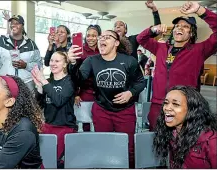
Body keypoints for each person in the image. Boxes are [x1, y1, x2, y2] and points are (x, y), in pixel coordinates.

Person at [68, 30, 145, 168]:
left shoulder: (129, 61)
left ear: (116, 43)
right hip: (102, 110)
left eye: (107, 37)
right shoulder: (91, 60)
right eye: (101, 37)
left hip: (125, 111)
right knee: (102, 144)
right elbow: (78, 80)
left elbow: (140, 82)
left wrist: (130, 93)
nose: (102, 39)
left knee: (128, 147)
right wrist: (73, 64)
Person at [136, 1, 217, 131]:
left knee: (182, 145)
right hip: (158, 104)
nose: (179, 28)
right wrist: (152, 30)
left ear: (191, 34)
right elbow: (141, 39)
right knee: (157, 143)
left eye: (185, 27)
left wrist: (200, 10)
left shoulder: (199, 50)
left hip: (184, 106)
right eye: (177, 26)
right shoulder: (161, 48)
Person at [153, 85, 217, 169]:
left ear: (191, 110)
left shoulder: (212, 140)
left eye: (175, 104)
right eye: (166, 103)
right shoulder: (172, 134)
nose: (167, 108)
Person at [32, 51, 76, 168]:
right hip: (48, 125)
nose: (53, 63)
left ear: (65, 64)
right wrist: (39, 88)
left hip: (65, 127)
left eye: (57, 61)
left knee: (49, 160)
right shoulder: (49, 82)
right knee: (38, 158)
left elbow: (59, 101)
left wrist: (44, 82)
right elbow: (38, 105)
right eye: (51, 60)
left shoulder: (70, 82)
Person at [0, 15, 43, 91]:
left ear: (22, 26)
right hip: (5, 83)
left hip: (27, 83)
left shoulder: (31, 44)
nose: (13, 25)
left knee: (27, 103)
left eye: (17, 23)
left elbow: (39, 65)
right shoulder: (0, 41)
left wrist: (26, 65)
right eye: (12, 23)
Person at [74, 24, 101, 132]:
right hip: (85, 89)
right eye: (88, 35)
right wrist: (75, 94)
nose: (90, 38)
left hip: (101, 90)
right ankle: (87, 142)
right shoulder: (80, 50)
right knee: (85, 119)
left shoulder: (103, 49)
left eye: (94, 36)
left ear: (99, 36)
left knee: (100, 119)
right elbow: (74, 73)